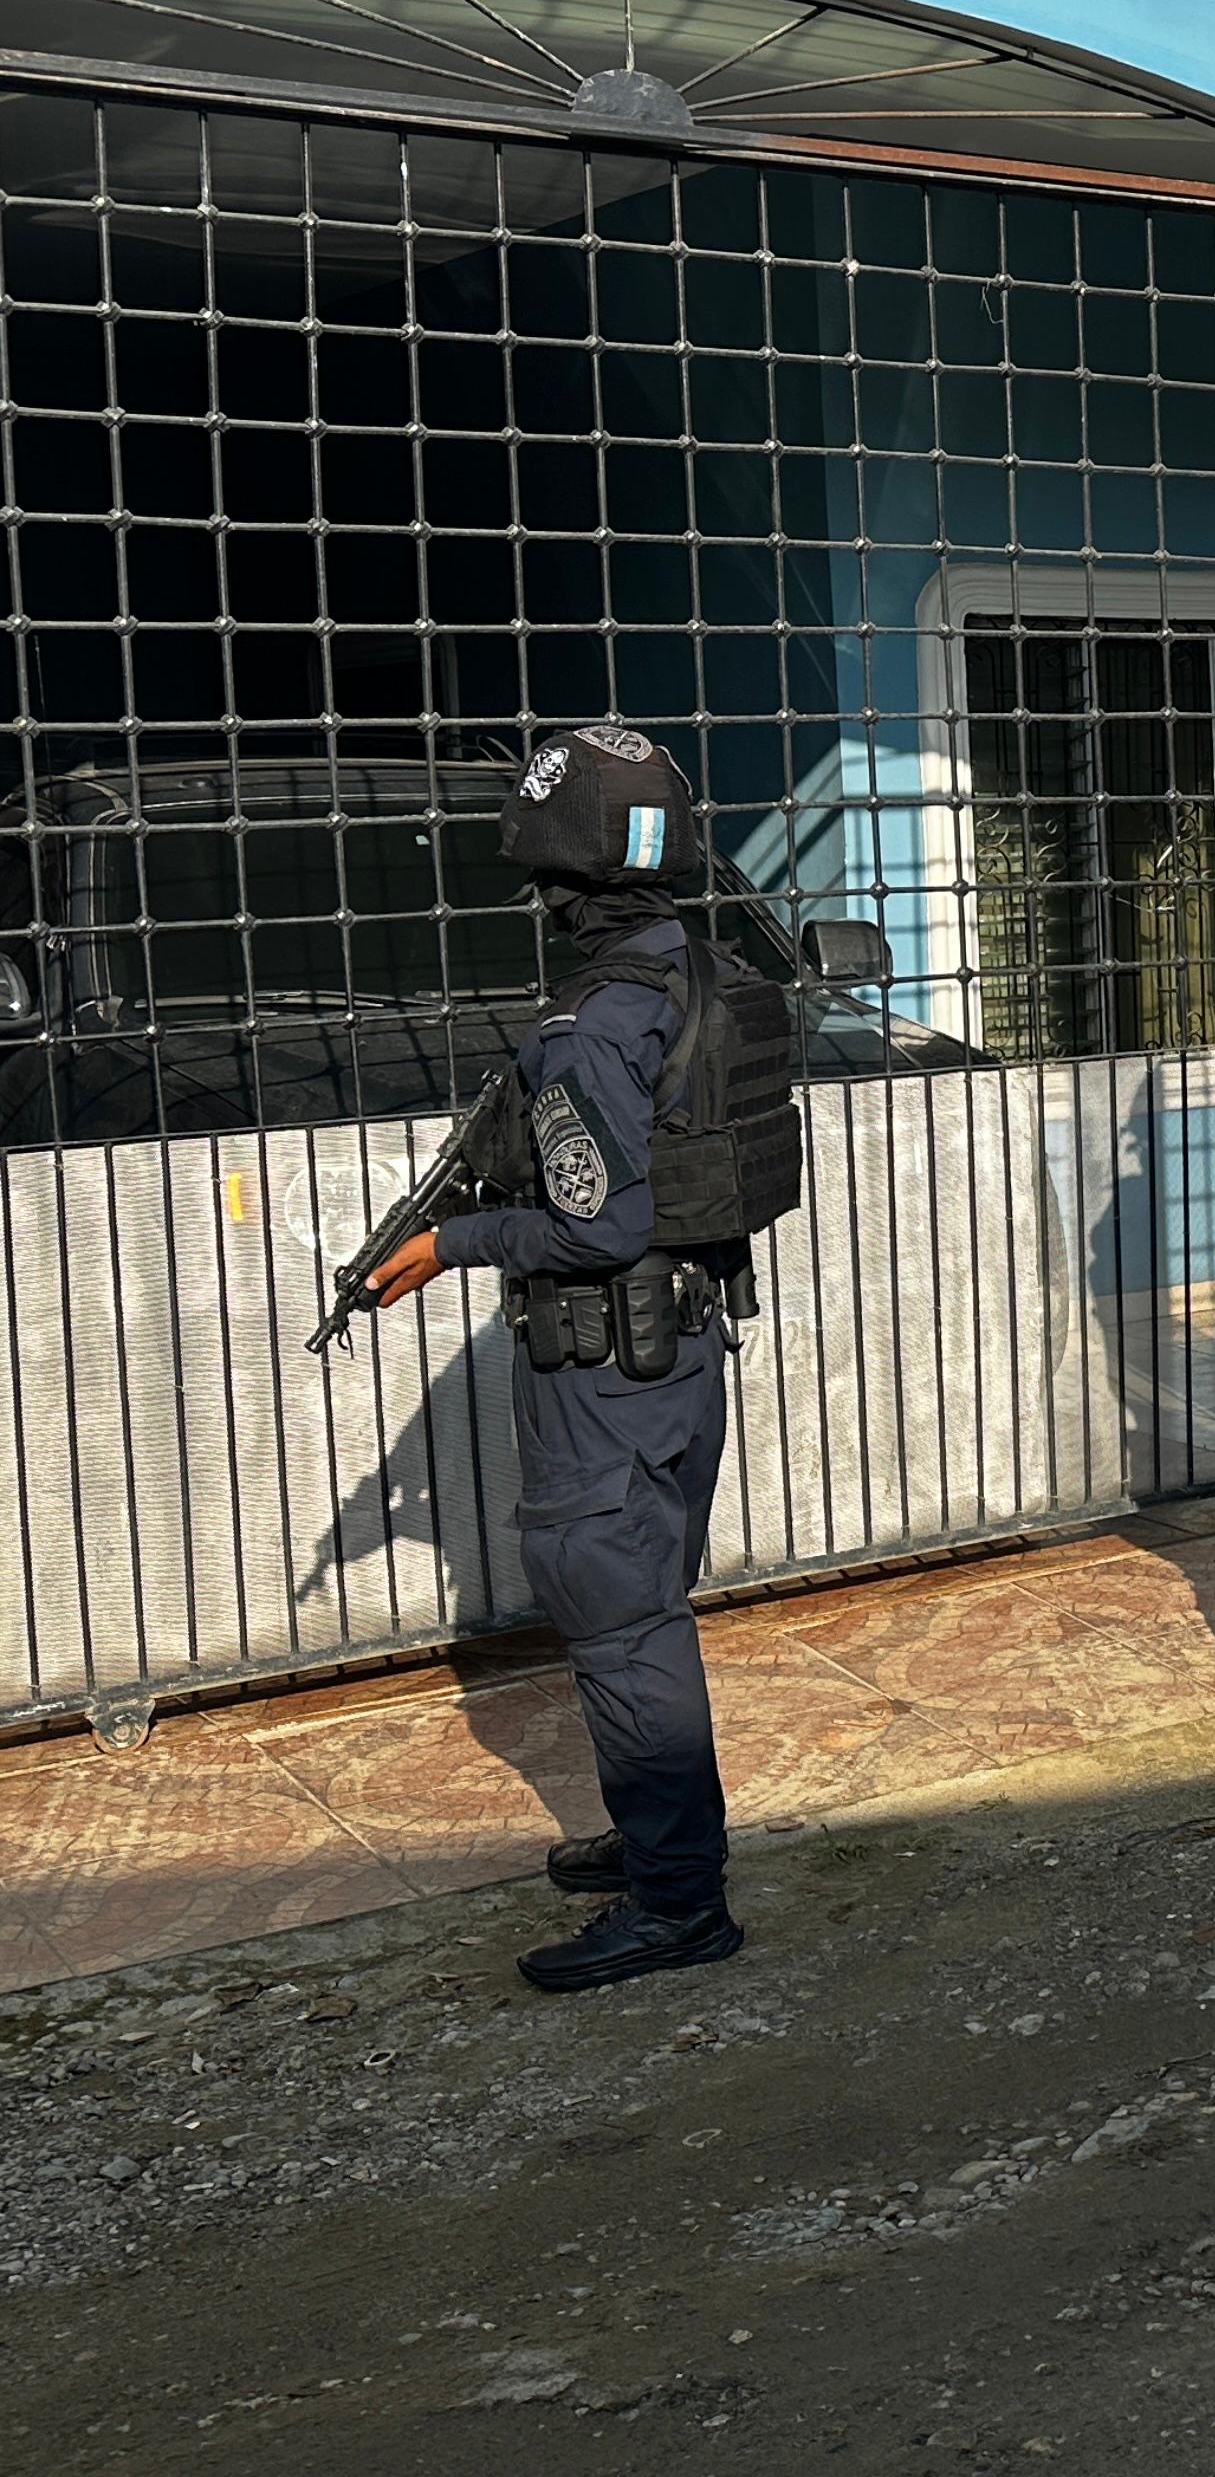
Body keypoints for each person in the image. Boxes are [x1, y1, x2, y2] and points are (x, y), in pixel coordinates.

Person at [359, 725, 799, 1991]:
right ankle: (661, 1841)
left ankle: (678, 1903)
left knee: (624, 1630)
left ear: (555, 877)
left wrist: (451, 1241)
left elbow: (593, 1224)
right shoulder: (706, 975)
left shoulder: (586, 1025)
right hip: (683, 1353)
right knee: (646, 1613)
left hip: (603, 1370)